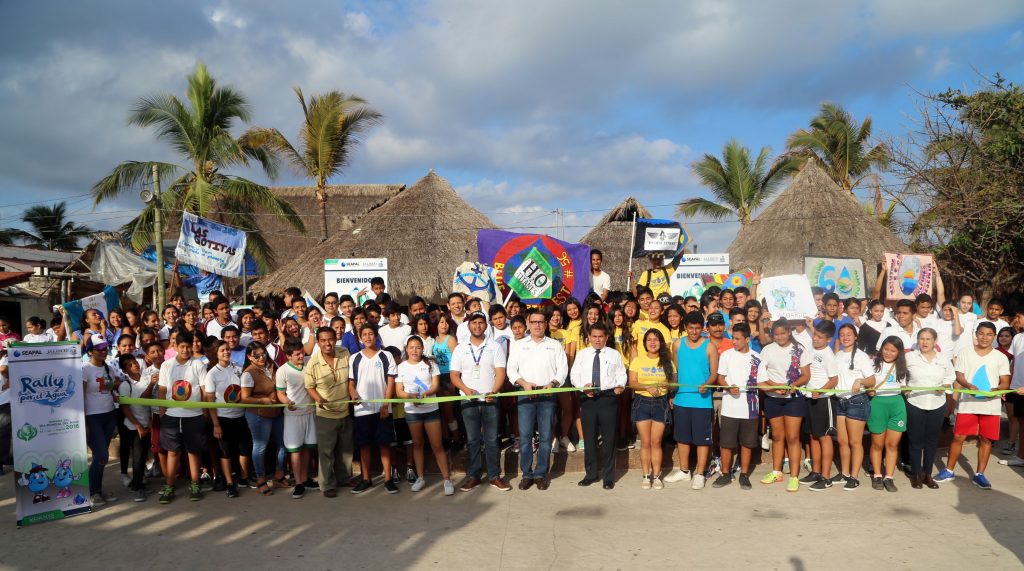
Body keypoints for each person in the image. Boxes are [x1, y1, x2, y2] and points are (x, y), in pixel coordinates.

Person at [936, 322, 1012, 489]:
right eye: (981, 333)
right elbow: (959, 375)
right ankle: (949, 470)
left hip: (991, 406)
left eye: (989, 334)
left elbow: (1005, 382)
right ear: (976, 334)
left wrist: (996, 389)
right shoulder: (965, 352)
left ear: (994, 337)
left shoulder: (1001, 357)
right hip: (967, 403)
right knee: (958, 437)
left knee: (986, 439)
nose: (985, 337)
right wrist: (969, 385)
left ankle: (979, 474)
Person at [507, 308, 567, 491]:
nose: (537, 325)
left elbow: (562, 370)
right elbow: (511, 370)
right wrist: (523, 383)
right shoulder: (519, 345)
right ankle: (527, 474)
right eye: (534, 322)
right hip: (526, 395)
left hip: (547, 396)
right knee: (525, 438)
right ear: (528, 324)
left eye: (541, 322)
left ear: (546, 324)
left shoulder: (555, 345)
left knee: (546, 437)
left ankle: (541, 473)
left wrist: (553, 383)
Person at [449, 311, 510, 492]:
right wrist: (466, 390)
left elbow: (500, 372)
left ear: (486, 325)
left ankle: (494, 476)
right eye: (474, 323)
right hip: (468, 401)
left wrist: (494, 390)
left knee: (491, 440)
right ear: (468, 326)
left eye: (481, 323)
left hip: (490, 399)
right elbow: (454, 375)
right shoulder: (461, 348)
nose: (477, 326)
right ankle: (474, 476)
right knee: (473, 439)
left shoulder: (494, 346)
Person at [664, 312, 718, 490]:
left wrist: (707, 384)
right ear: (685, 328)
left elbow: (714, 374)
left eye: (697, 328)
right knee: (683, 438)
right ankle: (684, 470)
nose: (694, 331)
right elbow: (675, 372)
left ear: (702, 328)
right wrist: (672, 394)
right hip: (681, 399)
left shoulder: (710, 347)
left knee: (703, 439)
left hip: (702, 401)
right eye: (690, 328)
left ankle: (700, 473)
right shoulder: (677, 345)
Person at [395, 336, 455, 495]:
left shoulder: (431, 364)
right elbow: (399, 392)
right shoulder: (401, 367)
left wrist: (425, 394)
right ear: (406, 349)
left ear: (422, 349)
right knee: (417, 444)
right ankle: (420, 477)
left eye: (417, 347)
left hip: (431, 410)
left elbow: (435, 386)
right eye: (411, 347)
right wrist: (411, 397)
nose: (414, 351)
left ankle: (447, 479)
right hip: (412, 411)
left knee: (437, 445)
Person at [570, 321, 626, 489]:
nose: (597, 340)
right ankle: (591, 474)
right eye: (594, 336)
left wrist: (620, 386)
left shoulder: (614, 354)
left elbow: (621, 374)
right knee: (589, 439)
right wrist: (582, 387)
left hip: (608, 398)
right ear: (589, 337)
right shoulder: (582, 354)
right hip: (588, 399)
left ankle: (608, 477)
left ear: (606, 337)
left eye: (600, 337)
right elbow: (574, 375)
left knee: (609, 439)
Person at [157, 331, 210, 504]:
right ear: (175, 347)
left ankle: (195, 484)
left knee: (193, 452)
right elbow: (162, 390)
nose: (186, 350)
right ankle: (169, 485)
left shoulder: (199, 365)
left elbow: (203, 390)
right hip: (172, 415)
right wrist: (163, 411)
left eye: (188, 346)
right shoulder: (166, 365)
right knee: (173, 452)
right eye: (182, 347)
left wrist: (204, 411)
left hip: (194, 415)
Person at [759, 319, 811, 492]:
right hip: (773, 398)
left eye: (783, 333)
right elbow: (761, 377)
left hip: (794, 398)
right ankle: (776, 471)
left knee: (793, 437)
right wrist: (775, 388)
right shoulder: (767, 350)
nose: (779, 337)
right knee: (778, 437)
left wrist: (792, 385)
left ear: (789, 332)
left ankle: (794, 476)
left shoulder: (799, 349)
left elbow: (805, 375)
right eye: (776, 334)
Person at [348, 323, 398, 494]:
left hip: (382, 409)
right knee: (364, 445)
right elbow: (351, 383)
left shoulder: (386, 356)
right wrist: (353, 394)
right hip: (362, 410)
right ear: (360, 338)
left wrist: (385, 404)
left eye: (371, 334)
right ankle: (366, 479)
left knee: (384, 444)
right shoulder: (354, 358)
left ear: (376, 336)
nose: (368, 337)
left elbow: (390, 382)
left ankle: (388, 479)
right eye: (365, 334)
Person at [304, 326, 353, 498]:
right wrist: (318, 399)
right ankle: (326, 484)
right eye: (323, 340)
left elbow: (350, 379)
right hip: (325, 414)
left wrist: (353, 393)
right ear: (318, 342)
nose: (327, 343)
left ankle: (345, 478)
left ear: (335, 339)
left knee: (345, 449)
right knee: (326, 452)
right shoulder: (313, 362)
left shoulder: (345, 353)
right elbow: (309, 387)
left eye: (330, 339)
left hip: (345, 410)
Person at [713, 322, 764, 489]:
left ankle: (744, 475)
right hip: (729, 408)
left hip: (750, 408)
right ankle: (726, 474)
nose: (733, 341)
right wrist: (728, 387)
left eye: (737, 339)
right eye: (732, 338)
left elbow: (762, 382)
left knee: (747, 443)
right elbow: (721, 377)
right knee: (726, 443)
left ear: (747, 339)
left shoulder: (757, 357)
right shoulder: (727, 355)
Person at [904, 328, 954, 489]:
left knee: (931, 441)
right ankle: (916, 474)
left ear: (935, 341)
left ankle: (927, 475)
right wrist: (904, 387)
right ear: (917, 340)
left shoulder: (943, 358)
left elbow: (950, 376)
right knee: (915, 440)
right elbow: (900, 376)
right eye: (922, 339)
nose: (925, 342)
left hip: (936, 403)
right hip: (915, 402)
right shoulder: (909, 357)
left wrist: (945, 386)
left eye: (928, 339)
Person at [203, 340, 252, 499]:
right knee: (226, 452)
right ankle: (230, 483)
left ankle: (244, 478)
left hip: (240, 416)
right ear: (216, 353)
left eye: (227, 350)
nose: (226, 352)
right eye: (222, 350)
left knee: (244, 449)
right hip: (223, 418)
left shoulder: (238, 369)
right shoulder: (212, 374)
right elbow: (210, 401)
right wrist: (216, 424)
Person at [628, 329, 674, 489]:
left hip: (661, 403)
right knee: (645, 442)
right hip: (642, 403)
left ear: (661, 342)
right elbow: (632, 383)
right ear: (645, 343)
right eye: (649, 340)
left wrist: (666, 386)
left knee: (656, 442)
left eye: (655, 339)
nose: (652, 342)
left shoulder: (667, 361)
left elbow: (673, 382)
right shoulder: (638, 361)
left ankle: (657, 475)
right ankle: (646, 476)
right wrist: (647, 387)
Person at [240, 341, 285, 496]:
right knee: (260, 447)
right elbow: (244, 398)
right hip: (258, 415)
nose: (261, 357)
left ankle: (279, 476)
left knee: (282, 444)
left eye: (263, 353)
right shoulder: (248, 373)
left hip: (277, 413)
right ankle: (261, 479)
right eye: (256, 355)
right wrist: (262, 400)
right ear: (249, 357)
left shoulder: (272, 366)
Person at [833, 324, 873, 490]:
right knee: (842, 441)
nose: (845, 337)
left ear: (856, 337)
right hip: (840, 401)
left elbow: (871, 380)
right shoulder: (837, 355)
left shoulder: (862, 357)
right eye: (842, 334)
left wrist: (860, 381)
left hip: (857, 400)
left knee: (855, 441)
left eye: (849, 334)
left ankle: (854, 477)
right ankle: (844, 473)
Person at [866, 336, 909, 492]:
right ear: (881, 348)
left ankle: (889, 477)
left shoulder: (902, 366)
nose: (888, 353)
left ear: (899, 352)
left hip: (897, 405)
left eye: (893, 350)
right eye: (886, 349)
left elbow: (904, 387)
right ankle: (877, 475)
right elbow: (867, 383)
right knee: (877, 443)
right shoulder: (872, 364)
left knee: (892, 444)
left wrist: (908, 390)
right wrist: (868, 390)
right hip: (878, 404)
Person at [801, 321, 839, 490]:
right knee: (813, 436)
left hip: (824, 400)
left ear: (829, 339)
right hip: (810, 397)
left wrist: (820, 391)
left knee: (824, 437)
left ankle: (826, 476)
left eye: (820, 337)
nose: (815, 339)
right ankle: (816, 471)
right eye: (815, 335)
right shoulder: (812, 347)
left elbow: (834, 380)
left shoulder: (828, 355)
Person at [82, 335, 120, 506]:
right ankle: (92, 491)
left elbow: (110, 391)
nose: (103, 351)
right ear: (90, 351)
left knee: (101, 457)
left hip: (109, 414)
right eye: (99, 349)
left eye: (105, 349)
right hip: (92, 416)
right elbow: (80, 396)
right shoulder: (84, 369)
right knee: (101, 455)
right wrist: (83, 422)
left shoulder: (109, 369)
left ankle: (97, 489)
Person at [276, 339, 317, 498]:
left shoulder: (310, 362)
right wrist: (288, 403)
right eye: (297, 354)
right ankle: (298, 483)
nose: (301, 356)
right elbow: (280, 393)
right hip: (293, 416)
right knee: (295, 449)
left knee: (307, 448)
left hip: (310, 412)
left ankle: (305, 479)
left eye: (302, 352)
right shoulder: (282, 371)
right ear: (288, 356)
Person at [116, 353, 155, 502]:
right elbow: (125, 408)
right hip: (133, 427)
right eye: (130, 365)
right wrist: (138, 425)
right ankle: (138, 488)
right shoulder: (126, 386)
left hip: (146, 423)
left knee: (144, 454)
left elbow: (149, 401)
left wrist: (149, 422)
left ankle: (137, 483)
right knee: (138, 457)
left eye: (135, 363)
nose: (134, 365)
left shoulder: (145, 380)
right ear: (125, 370)